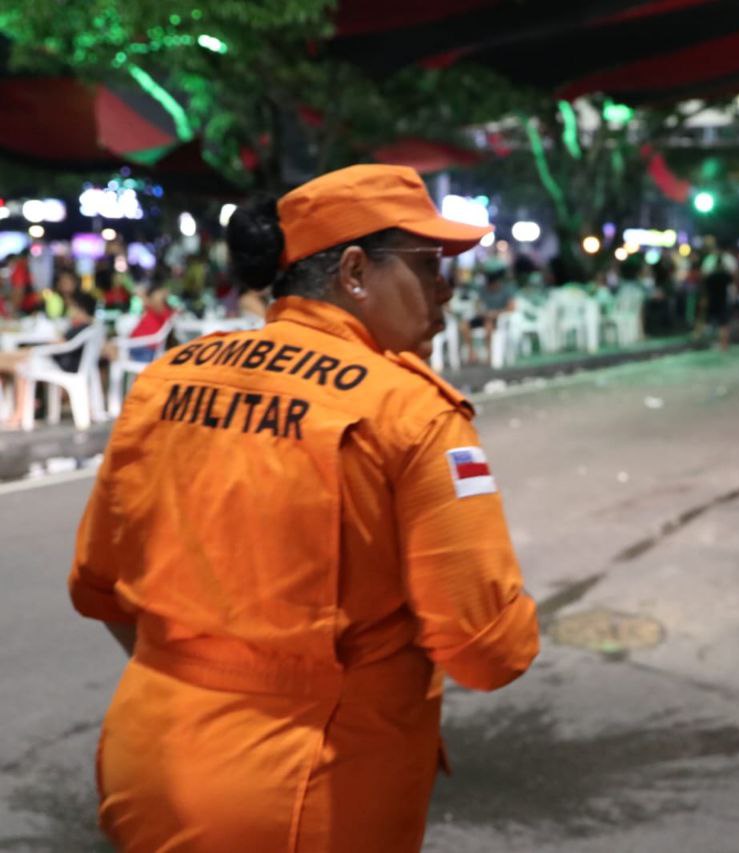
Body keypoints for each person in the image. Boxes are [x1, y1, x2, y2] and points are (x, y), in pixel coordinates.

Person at [68, 164, 540, 851]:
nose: (445, 289)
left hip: (145, 761)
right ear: (355, 271)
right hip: (306, 792)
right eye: (427, 264)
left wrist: (202, 669)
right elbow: (488, 651)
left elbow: (100, 585)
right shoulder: (409, 412)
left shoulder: (168, 379)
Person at [0, 291, 98, 428]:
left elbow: (62, 344)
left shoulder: (82, 327)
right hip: (57, 360)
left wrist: (42, 345)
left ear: (81, 308)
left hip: (60, 363)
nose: (71, 310)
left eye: (73, 307)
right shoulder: (91, 327)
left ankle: (19, 412)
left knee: (19, 365)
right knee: (14, 359)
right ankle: (17, 410)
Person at [700, 240, 737, 351]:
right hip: (724, 299)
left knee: (713, 322)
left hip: (713, 299)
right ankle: (724, 343)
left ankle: (719, 342)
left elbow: (704, 280)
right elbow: (734, 278)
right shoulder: (726, 275)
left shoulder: (711, 275)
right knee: (724, 322)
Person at [125, 283, 176, 362]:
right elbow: (144, 299)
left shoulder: (162, 311)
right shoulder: (152, 308)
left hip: (144, 348)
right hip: (135, 345)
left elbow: (154, 304)